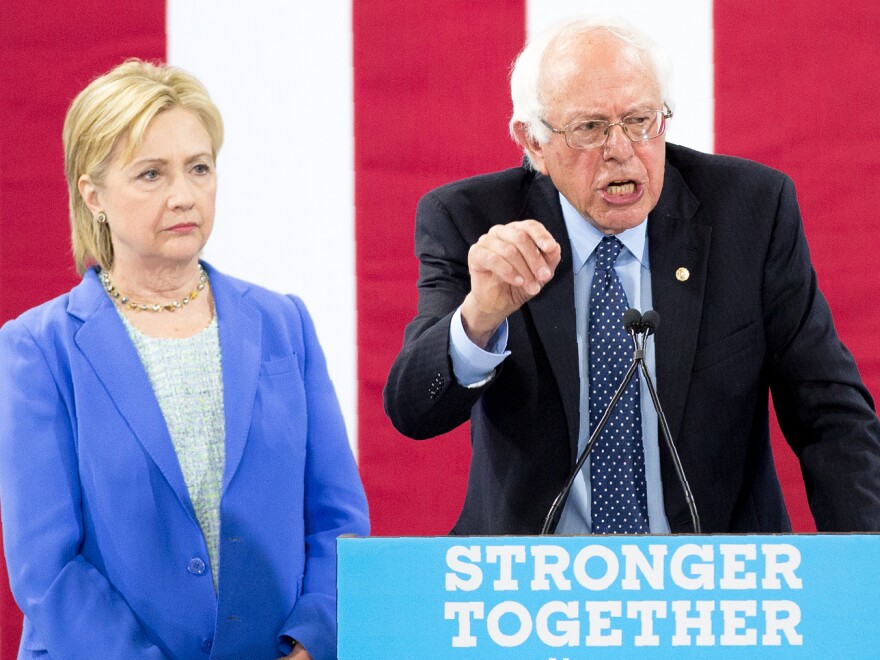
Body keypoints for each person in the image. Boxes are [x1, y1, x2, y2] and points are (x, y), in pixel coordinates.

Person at [384, 16, 880, 536]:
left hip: (714, 581)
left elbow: (832, 415)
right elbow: (414, 410)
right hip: (532, 587)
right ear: (532, 142)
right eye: (590, 128)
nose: (621, 149)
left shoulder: (749, 213)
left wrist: (866, 579)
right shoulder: (470, 220)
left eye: (641, 121)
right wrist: (480, 318)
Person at [0, 59, 369, 660]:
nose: (184, 195)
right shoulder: (37, 349)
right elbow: (46, 568)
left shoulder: (284, 324)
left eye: (199, 168)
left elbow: (338, 520)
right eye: (151, 174)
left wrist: (309, 643)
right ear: (93, 194)